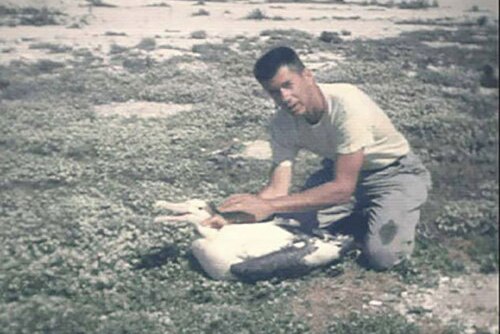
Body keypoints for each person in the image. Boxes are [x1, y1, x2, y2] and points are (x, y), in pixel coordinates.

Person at [202, 46, 431, 270]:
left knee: (383, 257)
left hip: (393, 174)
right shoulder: (281, 123)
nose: (285, 97)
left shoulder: (346, 105)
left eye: (288, 85)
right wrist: (234, 217)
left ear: (308, 75)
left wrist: (267, 205)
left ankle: (387, 211)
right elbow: (276, 189)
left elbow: (342, 188)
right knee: (288, 224)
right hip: (338, 172)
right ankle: (364, 217)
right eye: (274, 91)